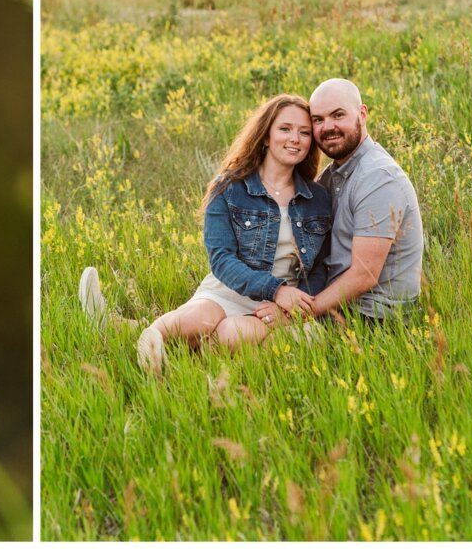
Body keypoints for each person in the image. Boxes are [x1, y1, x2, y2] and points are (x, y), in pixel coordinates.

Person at [78, 93, 332, 375]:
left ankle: (139, 339)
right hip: (230, 289)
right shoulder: (229, 187)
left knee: (233, 335)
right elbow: (222, 260)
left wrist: (289, 309)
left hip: (278, 303)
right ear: (265, 136)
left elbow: (320, 268)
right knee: (197, 321)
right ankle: (149, 340)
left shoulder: (317, 198)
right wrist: (275, 289)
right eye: (285, 129)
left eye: (304, 132)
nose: (295, 138)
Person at [254, 78, 422, 327]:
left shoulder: (379, 178)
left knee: (246, 333)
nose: (328, 127)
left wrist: (294, 315)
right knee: (237, 318)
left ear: (362, 114)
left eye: (338, 115)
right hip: (337, 304)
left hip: (372, 318)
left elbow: (363, 275)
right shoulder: (332, 176)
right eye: (318, 120)